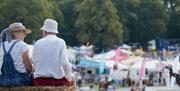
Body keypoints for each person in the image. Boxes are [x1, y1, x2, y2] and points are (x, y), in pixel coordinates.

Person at [32, 19, 74, 86]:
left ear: (44, 31)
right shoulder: (60, 42)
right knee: (72, 82)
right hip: (56, 81)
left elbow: (34, 62)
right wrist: (68, 77)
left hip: (39, 81)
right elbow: (65, 63)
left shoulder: (38, 42)